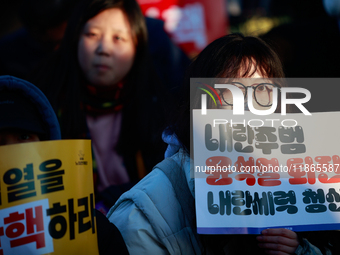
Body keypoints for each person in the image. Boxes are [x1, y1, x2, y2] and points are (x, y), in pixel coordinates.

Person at [106, 34, 336, 254]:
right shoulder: (143, 215)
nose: (249, 108)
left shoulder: (307, 185)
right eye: (229, 94)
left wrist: (299, 249)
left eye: (264, 92)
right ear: (197, 106)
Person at [30, 0, 179, 212]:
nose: (104, 49)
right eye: (92, 35)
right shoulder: (42, 104)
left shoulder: (161, 106)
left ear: (137, 46)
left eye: (118, 38)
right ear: (74, 39)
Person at [0, 75, 129, 254]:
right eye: (0, 142)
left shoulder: (86, 226)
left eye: (24, 137)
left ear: (46, 146)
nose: (12, 151)